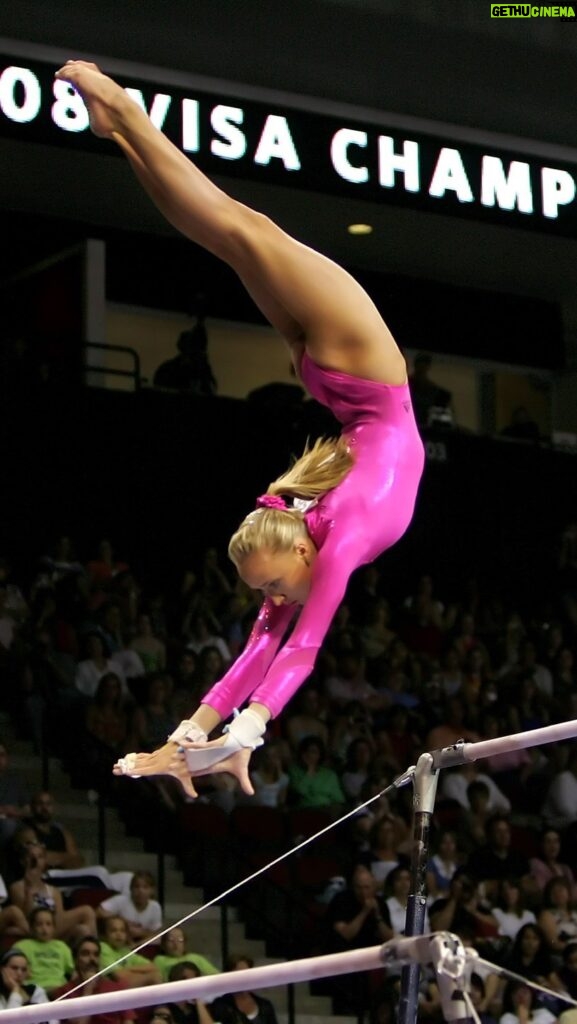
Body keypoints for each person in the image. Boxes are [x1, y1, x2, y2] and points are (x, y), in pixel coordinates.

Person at [53, 61, 424, 798]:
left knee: (234, 231)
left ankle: (124, 124)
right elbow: (288, 649)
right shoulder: (333, 538)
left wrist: (216, 734)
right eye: (271, 589)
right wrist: (213, 737)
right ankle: (123, 124)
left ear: (288, 548)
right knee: (232, 230)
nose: (276, 600)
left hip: (350, 380)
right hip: (361, 373)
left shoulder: (315, 534)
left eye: (272, 587)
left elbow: (277, 647)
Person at [51, 935, 136, 1024]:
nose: (92, 959)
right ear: (75, 960)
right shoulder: (64, 993)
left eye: (96, 955)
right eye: (85, 954)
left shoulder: (115, 988)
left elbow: (128, 1021)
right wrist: (88, 990)